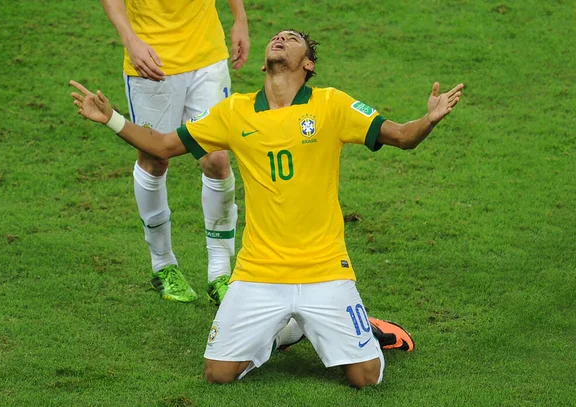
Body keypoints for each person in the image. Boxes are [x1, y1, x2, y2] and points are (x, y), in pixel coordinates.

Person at [70, 29, 462, 388]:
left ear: (307, 64)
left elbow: (401, 137)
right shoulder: (234, 111)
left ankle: (368, 328)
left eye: (291, 39)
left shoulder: (331, 105)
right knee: (218, 374)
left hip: (324, 269)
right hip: (259, 271)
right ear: (263, 62)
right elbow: (162, 146)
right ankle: (290, 330)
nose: (280, 39)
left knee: (366, 378)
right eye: (276, 37)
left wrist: (428, 119)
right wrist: (111, 118)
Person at [99, 0, 250, 304]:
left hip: (207, 55)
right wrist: (130, 40)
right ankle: (163, 265)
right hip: (152, 59)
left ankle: (220, 273)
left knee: (218, 159)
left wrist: (240, 18)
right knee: (155, 159)